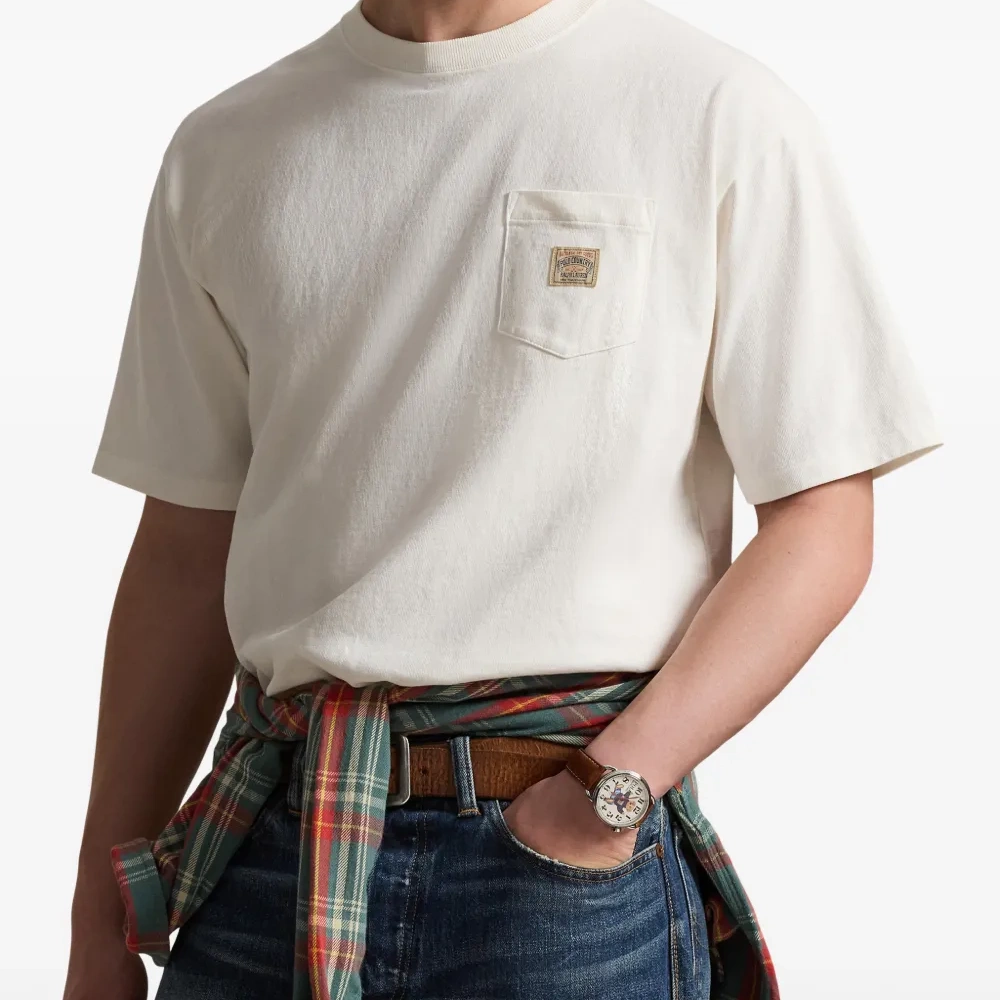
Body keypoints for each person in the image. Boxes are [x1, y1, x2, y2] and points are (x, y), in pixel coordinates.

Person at [63, 0, 942, 998]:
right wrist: (96, 919)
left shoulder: (714, 109)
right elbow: (185, 553)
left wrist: (607, 795)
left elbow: (824, 516)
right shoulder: (229, 146)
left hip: (561, 872)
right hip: (274, 844)